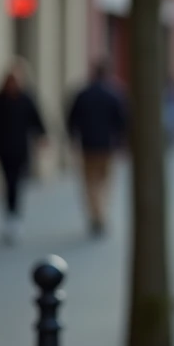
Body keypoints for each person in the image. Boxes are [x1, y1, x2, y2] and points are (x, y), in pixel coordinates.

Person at [0, 62, 47, 244]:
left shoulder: (26, 98)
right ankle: (10, 215)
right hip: (3, 148)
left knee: (17, 182)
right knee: (8, 181)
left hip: (20, 149)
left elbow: (36, 119)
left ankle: (14, 215)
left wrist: (42, 137)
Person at [67, 60, 128, 236]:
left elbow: (71, 119)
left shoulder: (83, 94)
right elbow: (123, 120)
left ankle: (96, 215)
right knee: (105, 183)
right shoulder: (114, 94)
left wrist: (73, 137)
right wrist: (120, 140)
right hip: (107, 146)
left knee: (90, 183)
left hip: (87, 145)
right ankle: (101, 214)